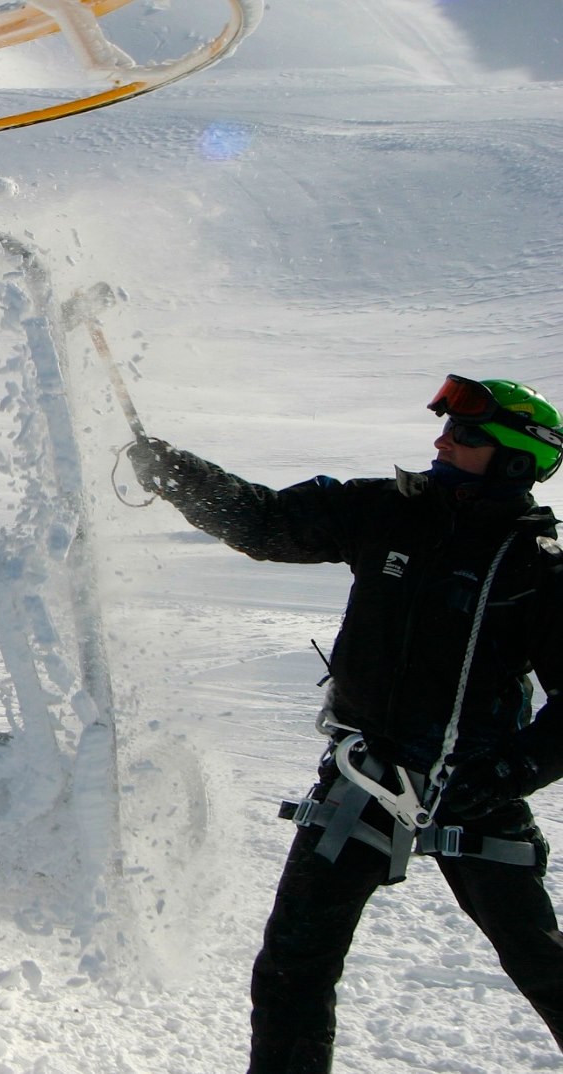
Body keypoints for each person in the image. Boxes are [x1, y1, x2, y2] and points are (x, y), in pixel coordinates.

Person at [126, 374, 563, 1071]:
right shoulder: (387, 511)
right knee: (291, 968)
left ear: (515, 460)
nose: (440, 440)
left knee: (542, 965)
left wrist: (510, 772)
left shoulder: (540, 572)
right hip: (362, 780)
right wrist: (179, 474)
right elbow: (265, 522)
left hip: (474, 793)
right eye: (446, 428)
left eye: (465, 436)